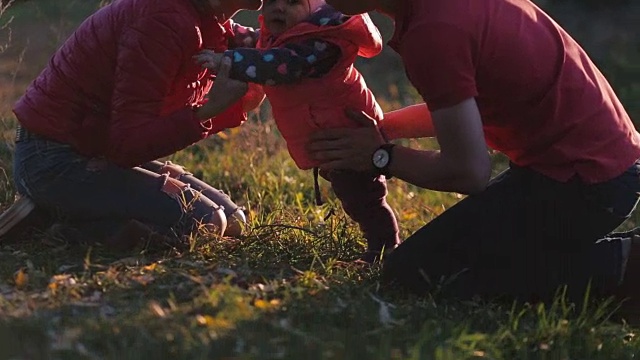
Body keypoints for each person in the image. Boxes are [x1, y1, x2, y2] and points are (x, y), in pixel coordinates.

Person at [306, 0, 640, 301]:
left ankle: (624, 265)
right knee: (442, 261)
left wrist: (380, 156)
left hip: (587, 184)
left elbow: (468, 172)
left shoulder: (434, 32)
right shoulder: (439, 13)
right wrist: (379, 132)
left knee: (417, 275)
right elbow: (460, 107)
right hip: (600, 167)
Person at [0, 0, 266, 250]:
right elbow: (127, 145)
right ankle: (50, 225)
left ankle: (60, 210)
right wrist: (210, 109)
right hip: (53, 160)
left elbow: (266, 41)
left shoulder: (210, 20)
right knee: (205, 225)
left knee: (233, 221)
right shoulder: (161, 21)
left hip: (93, 151)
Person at [194, 0, 400, 262]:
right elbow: (259, 44)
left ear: (312, 8)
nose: (279, 8)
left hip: (351, 135)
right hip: (328, 133)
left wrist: (227, 60)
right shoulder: (288, 34)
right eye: (271, 1)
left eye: (292, 2)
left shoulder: (321, 44)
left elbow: (281, 64)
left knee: (364, 198)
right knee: (353, 194)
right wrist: (225, 33)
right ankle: (382, 247)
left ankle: (386, 249)